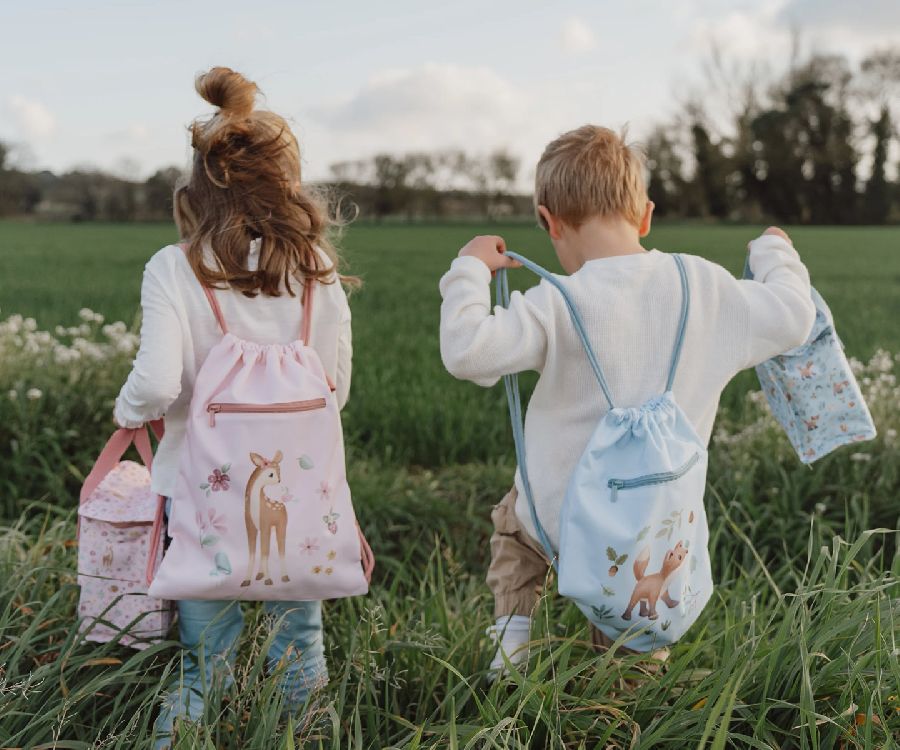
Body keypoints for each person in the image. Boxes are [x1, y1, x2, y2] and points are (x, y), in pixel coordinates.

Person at [438, 125, 816, 677]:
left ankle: (512, 656)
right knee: (636, 615)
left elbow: (467, 351)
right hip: (650, 518)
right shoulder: (705, 286)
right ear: (646, 216)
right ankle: (628, 696)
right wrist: (774, 251)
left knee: (514, 533)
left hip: (555, 513)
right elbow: (795, 315)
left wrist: (470, 269)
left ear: (548, 220)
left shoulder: (557, 299)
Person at [113, 67, 355, 745]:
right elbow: (334, 387)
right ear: (288, 185)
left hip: (198, 494)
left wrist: (127, 413)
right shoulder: (315, 270)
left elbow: (156, 384)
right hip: (299, 493)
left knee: (204, 662)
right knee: (301, 653)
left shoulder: (175, 266)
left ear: (197, 188)